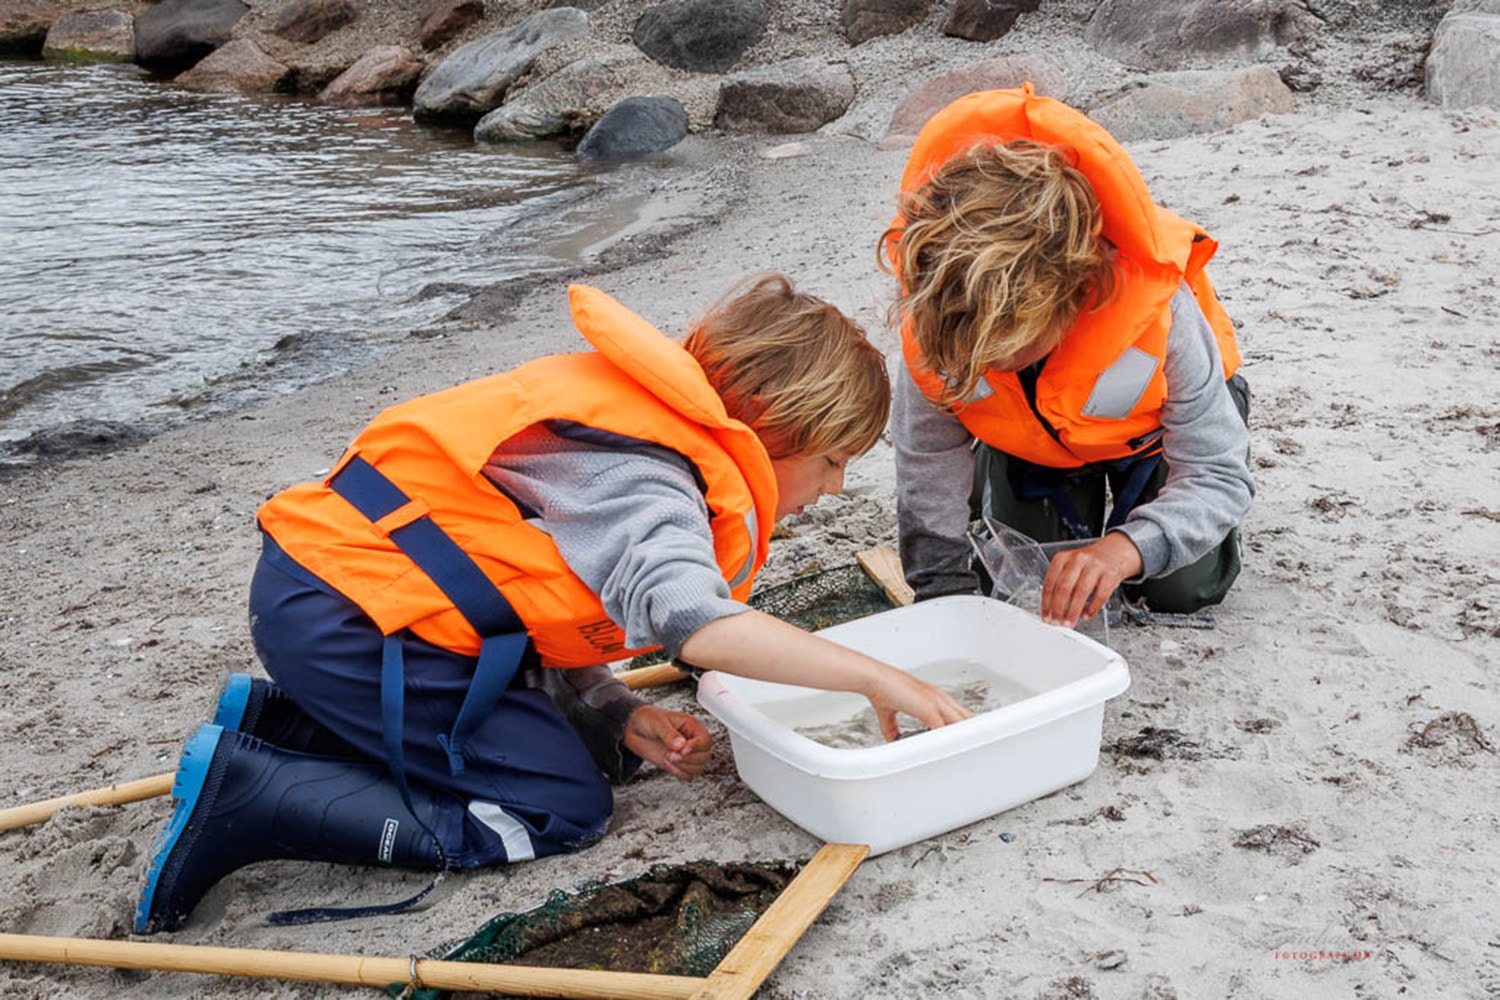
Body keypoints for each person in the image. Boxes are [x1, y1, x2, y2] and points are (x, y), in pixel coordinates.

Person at [134, 275, 971, 934]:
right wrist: (872, 677)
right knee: (561, 806)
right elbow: (698, 625)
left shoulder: (636, 433)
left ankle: (282, 723)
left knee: (599, 752)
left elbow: (512, 603)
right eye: (831, 461)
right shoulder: (647, 476)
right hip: (355, 624)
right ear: (773, 424)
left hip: (332, 599)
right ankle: (245, 792)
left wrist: (611, 711)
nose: (831, 491)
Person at [883, 84, 1254, 629]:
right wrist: (942, 597)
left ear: (1075, 292)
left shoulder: (1161, 311)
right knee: (1023, 583)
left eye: (1006, 350)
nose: (988, 365)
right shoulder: (940, 314)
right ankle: (1011, 479)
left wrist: (1124, 549)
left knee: (1182, 587)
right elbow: (927, 466)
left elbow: (1219, 475)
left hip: (1153, 437)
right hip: (1031, 441)